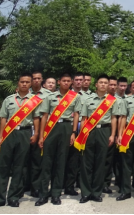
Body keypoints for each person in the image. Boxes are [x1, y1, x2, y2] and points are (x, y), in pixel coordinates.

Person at [0, 73, 41, 209]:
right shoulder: (9, 99)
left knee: (20, 166)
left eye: (27, 82)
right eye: (22, 81)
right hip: (9, 133)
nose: (24, 84)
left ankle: (13, 197)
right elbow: (3, 118)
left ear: (31, 84)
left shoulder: (34, 100)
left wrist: (35, 134)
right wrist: (1, 137)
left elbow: (36, 118)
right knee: (4, 166)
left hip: (25, 133)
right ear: (18, 83)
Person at [35, 73, 80, 207]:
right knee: (47, 162)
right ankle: (43, 194)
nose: (66, 83)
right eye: (63, 81)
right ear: (59, 82)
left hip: (66, 128)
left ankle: (56, 193)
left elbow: (76, 115)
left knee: (61, 161)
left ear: (71, 83)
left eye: (68, 81)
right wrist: (42, 136)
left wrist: (73, 132)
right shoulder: (50, 96)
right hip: (51, 128)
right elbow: (44, 116)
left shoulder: (75, 97)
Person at [78, 75, 122, 203]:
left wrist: (112, 135)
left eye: (105, 83)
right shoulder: (88, 99)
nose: (103, 84)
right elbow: (84, 118)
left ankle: (96, 192)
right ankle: (86, 192)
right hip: (89, 131)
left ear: (108, 85)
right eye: (101, 82)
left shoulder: (112, 100)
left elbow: (114, 119)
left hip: (104, 131)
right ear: (96, 84)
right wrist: (82, 135)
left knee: (100, 162)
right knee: (87, 163)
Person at [25, 71, 51, 198]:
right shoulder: (25, 94)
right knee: (24, 158)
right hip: (27, 128)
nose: (36, 80)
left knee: (37, 159)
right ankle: (23, 185)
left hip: (43, 127)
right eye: (34, 78)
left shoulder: (48, 95)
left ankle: (36, 187)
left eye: (38, 78)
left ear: (42, 80)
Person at [64, 73, 84, 196]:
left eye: (81, 80)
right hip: (69, 128)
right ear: (72, 81)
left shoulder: (89, 96)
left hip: (83, 128)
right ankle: (63, 183)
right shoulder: (65, 95)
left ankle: (73, 184)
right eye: (76, 79)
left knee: (76, 158)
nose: (78, 82)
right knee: (64, 157)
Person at [103, 76, 120, 194]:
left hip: (121, 132)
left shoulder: (119, 100)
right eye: (111, 85)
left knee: (114, 159)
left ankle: (108, 182)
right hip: (107, 130)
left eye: (115, 85)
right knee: (104, 158)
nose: (113, 87)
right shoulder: (102, 99)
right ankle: (101, 183)